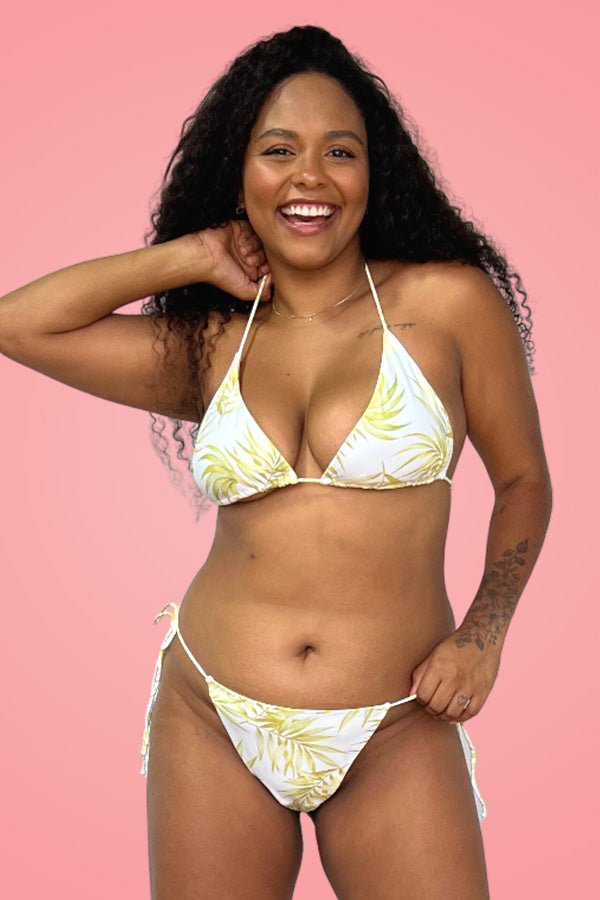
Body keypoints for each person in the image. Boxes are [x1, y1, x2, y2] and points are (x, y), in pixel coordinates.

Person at [0, 24, 552, 900]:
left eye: (341, 152)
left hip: (396, 722)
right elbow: (18, 325)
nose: (310, 177)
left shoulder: (446, 302)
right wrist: (191, 255)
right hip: (212, 714)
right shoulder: (211, 344)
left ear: (373, 173)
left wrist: (483, 636)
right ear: (241, 175)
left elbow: (523, 481)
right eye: (279, 150)